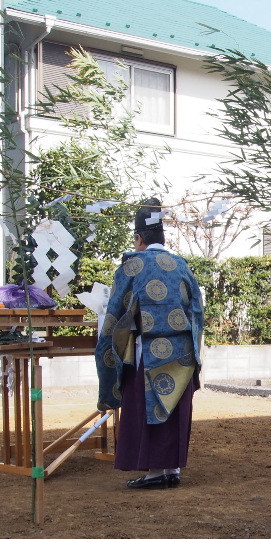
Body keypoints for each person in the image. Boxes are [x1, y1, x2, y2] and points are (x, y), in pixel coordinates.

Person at [95, 197, 205, 490]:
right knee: (174, 409)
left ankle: (156, 472)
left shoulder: (132, 266)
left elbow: (116, 313)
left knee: (150, 405)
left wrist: (108, 346)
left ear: (139, 238)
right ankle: (172, 469)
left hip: (148, 348)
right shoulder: (182, 266)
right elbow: (197, 310)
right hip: (182, 353)